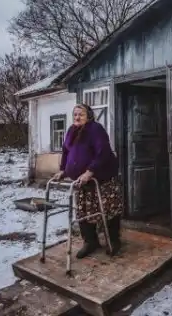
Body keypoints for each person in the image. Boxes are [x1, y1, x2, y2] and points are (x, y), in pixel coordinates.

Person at [52, 103, 123, 258]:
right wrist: (63, 170)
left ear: (89, 116)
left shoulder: (95, 129)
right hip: (81, 181)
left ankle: (114, 241)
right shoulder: (71, 130)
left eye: (81, 114)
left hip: (101, 179)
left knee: (108, 210)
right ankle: (90, 242)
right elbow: (66, 151)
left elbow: (103, 152)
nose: (77, 117)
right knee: (82, 211)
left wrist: (90, 171)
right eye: (75, 114)